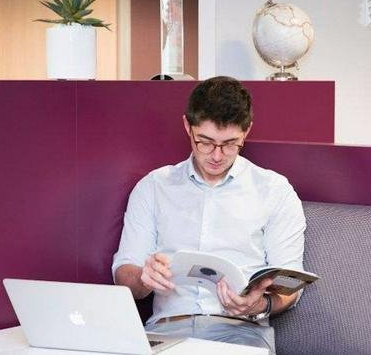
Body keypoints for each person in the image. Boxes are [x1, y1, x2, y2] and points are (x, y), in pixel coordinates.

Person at [112, 76, 307, 354]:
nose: (216, 155)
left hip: (241, 330)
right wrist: (143, 276)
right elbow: (124, 272)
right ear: (187, 127)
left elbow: (290, 285)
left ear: (246, 132)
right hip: (165, 330)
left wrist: (259, 304)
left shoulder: (274, 190)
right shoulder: (154, 187)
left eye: (230, 144)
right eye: (204, 142)